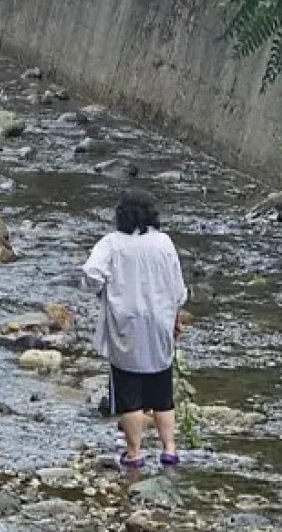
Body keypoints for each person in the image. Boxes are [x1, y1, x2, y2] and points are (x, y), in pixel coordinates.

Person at [83, 190, 188, 469]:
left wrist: (102, 291)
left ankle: (134, 453)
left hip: (125, 321)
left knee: (129, 393)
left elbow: (91, 273)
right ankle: (169, 449)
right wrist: (175, 316)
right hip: (159, 320)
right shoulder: (164, 243)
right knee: (162, 391)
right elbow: (177, 287)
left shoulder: (112, 243)